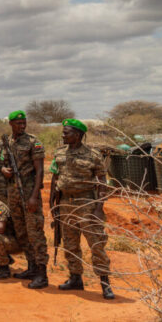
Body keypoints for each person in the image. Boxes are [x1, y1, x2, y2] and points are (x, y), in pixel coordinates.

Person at [49, 118, 114, 299]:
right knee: (70, 244)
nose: (63, 135)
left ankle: (105, 283)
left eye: (66, 132)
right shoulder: (59, 153)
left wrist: (99, 207)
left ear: (78, 135)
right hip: (65, 204)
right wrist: (53, 205)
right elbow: (55, 178)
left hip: (86, 203)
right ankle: (75, 278)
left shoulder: (92, 155)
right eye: (63, 132)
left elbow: (102, 181)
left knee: (96, 243)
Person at [1, 110, 49, 289]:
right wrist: (3, 170)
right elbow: (3, 164)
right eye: (18, 123)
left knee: (35, 233)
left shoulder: (33, 142)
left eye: (24, 123)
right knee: (22, 232)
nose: (22, 126)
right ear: (11, 124)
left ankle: (42, 274)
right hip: (13, 194)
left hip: (29, 193)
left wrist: (34, 196)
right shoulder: (7, 142)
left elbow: (40, 171)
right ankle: (31, 267)